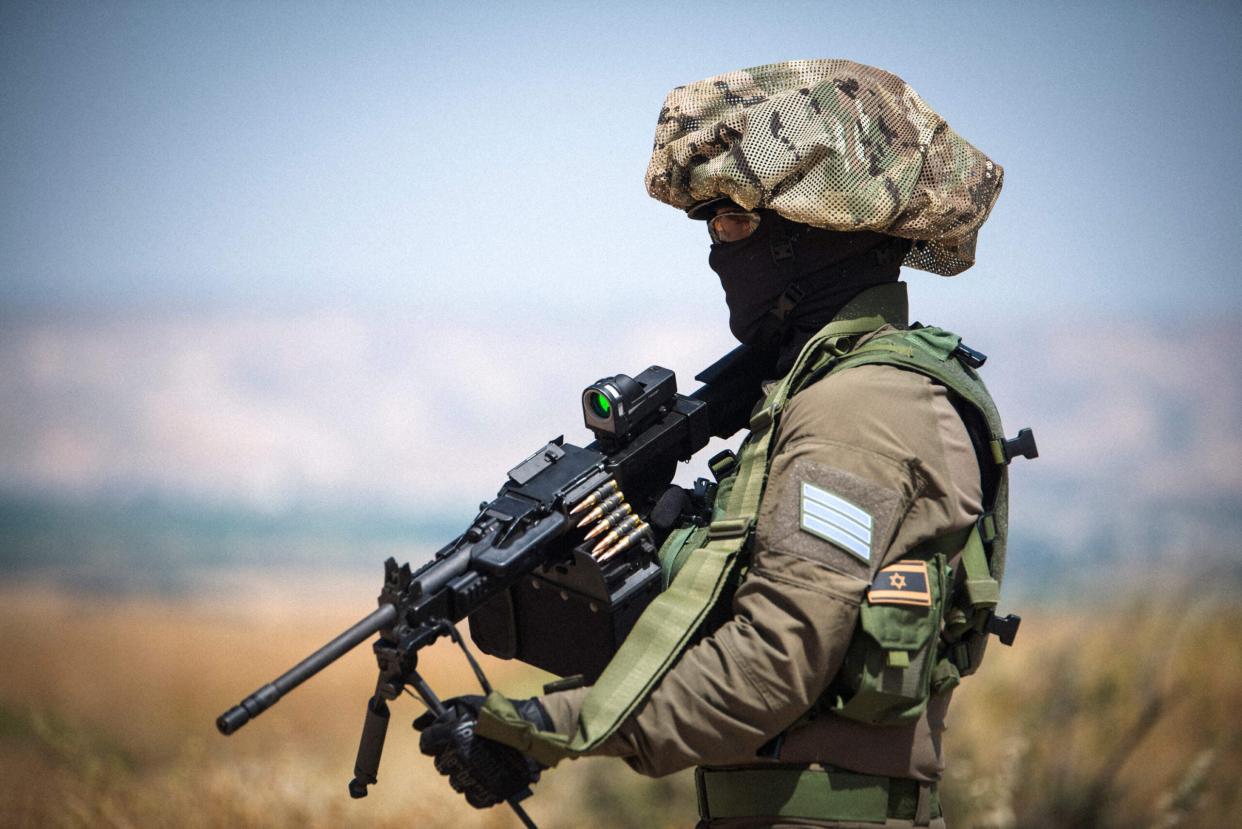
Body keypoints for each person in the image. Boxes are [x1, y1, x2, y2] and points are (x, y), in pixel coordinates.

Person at [416, 59, 1027, 829]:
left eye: (733, 220)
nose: (715, 250)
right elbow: (732, 625)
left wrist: (545, 726)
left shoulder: (858, 409)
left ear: (813, 234)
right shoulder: (826, 393)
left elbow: (775, 662)